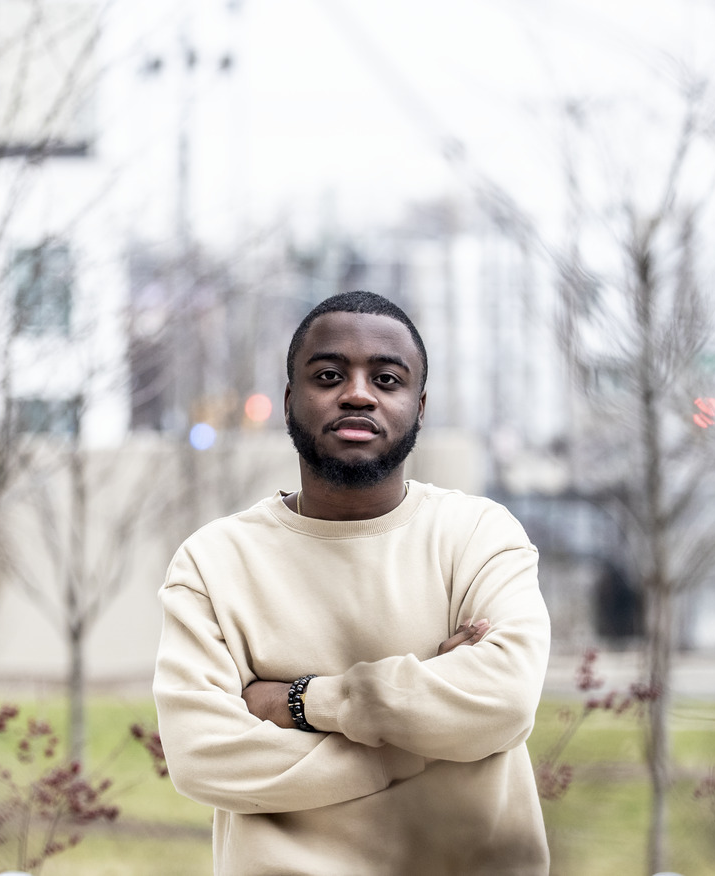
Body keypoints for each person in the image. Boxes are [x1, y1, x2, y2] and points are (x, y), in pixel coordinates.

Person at [152, 291, 551, 875]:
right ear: (291, 402)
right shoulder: (214, 563)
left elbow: (505, 700)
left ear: (420, 406)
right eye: (330, 375)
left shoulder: (479, 535)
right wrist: (423, 739)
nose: (358, 393)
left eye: (387, 379)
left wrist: (299, 701)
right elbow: (203, 755)